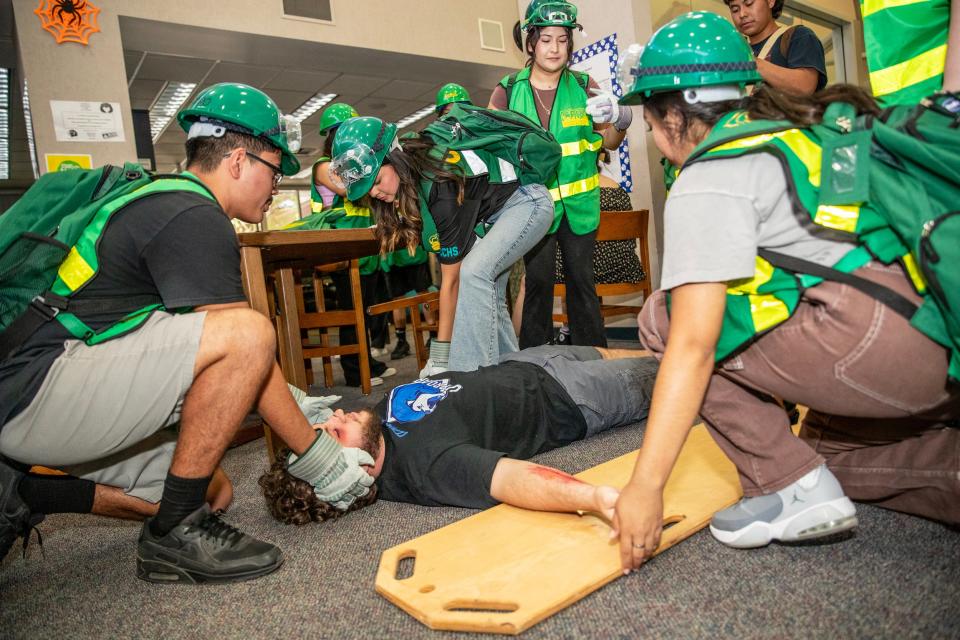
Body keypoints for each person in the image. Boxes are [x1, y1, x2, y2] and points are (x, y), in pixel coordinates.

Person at [610, 11, 960, 573]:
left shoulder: (710, 174)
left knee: (664, 318)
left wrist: (646, 486)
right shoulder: (802, 133)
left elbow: (694, 347)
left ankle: (790, 489)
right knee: (827, 451)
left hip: (879, 343)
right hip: (940, 332)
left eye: (650, 121)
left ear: (673, 112)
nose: (654, 138)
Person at [0, 84, 377, 582]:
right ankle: (173, 533)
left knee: (210, 489)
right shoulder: (194, 214)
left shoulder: (165, 199)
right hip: (33, 390)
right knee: (248, 332)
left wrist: (300, 407)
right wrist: (318, 457)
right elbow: (245, 351)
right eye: (276, 169)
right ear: (240, 160)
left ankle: (23, 492)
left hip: (39, 388)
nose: (277, 184)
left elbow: (225, 366)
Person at [260, 345, 657, 518]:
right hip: (568, 397)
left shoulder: (375, 427)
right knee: (672, 371)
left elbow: (269, 385)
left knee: (635, 352)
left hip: (524, 364)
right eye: (334, 434)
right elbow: (511, 479)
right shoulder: (426, 467)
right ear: (356, 471)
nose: (336, 417)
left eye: (324, 425)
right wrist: (595, 497)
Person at [328, 115, 556, 374]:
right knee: (489, 293)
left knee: (474, 273)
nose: (374, 193)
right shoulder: (419, 178)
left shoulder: (438, 183)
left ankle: (473, 383)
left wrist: (439, 359)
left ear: (396, 160)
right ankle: (514, 380)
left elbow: (452, 282)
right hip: (498, 215)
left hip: (528, 201)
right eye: (367, 189)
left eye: (377, 181)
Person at [489, 0, 630, 350]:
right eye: (547, 39)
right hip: (532, 209)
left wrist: (621, 117)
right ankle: (534, 363)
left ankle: (594, 360)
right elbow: (492, 153)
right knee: (537, 284)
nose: (554, 48)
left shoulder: (584, 85)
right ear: (531, 41)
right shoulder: (507, 90)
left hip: (580, 208)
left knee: (582, 284)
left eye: (562, 40)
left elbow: (609, 139)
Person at [724, 0, 827, 95]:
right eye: (735, 10)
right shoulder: (736, 51)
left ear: (770, 1)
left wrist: (755, 65)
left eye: (749, 3)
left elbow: (805, 86)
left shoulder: (799, 36)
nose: (742, 14)